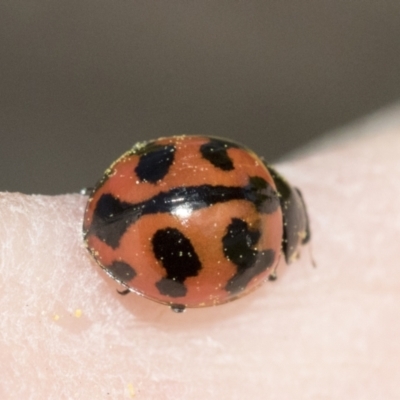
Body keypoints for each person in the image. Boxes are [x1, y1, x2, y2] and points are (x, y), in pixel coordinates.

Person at [1, 105, 399, 399]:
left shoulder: (247, 164)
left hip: (115, 201)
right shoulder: (262, 252)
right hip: (119, 224)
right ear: (288, 243)